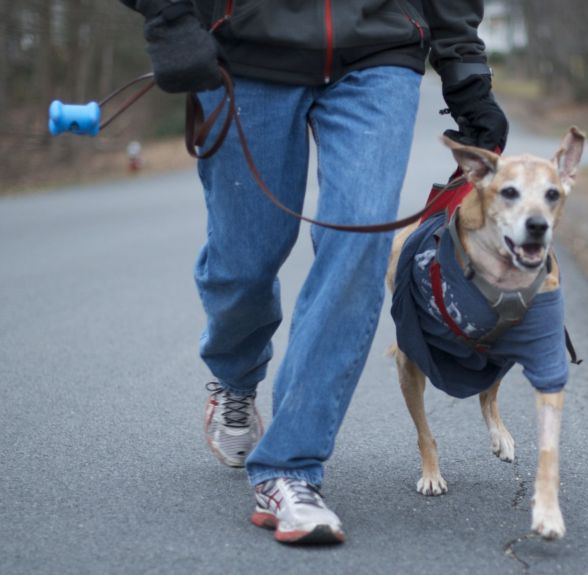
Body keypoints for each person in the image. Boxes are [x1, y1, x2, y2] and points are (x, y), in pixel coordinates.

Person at [119, 0, 508, 545]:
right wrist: (171, 22)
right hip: (246, 49)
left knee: (359, 246)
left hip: (380, 49)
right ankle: (235, 375)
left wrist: (466, 72)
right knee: (244, 260)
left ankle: (289, 468)